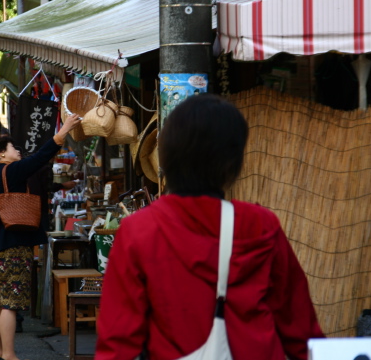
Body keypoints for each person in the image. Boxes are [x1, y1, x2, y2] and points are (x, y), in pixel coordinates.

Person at [95, 94, 324, 360]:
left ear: (166, 156)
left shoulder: (139, 231)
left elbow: (117, 343)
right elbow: (301, 334)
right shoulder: (260, 225)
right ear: (233, 161)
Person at [0, 113, 81, 360]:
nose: (17, 150)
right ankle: (9, 354)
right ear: (1, 154)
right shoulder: (11, 171)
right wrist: (64, 129)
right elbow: (40, 158)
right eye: (13, 147)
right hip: (13, 246)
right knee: (10, 304)